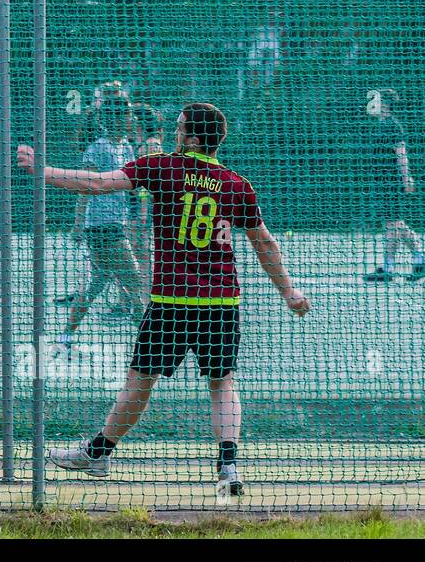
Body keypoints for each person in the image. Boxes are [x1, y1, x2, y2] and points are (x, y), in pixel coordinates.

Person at [18, 102, 310, 495]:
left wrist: (43, 171)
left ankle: (99, 453)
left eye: (179, 127)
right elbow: (265, 244)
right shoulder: (236, 184)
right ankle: (228, 468)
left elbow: (97, 184)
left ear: (191, 137)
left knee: (140, 381)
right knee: (222, 383)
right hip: (221, 303)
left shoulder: (161, 166)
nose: (173, 131)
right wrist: (289, 292)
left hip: (171, 301)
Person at [57, 94, 144, 348]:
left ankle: (66, 336)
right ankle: (150, 343)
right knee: (135, 279)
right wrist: (77, 224)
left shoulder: (125, 146)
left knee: (97, 283)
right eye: (127, 113)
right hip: (101, 226)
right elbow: (85, 187)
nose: (131, 118)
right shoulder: (98, 147)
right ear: (115, 118)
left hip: (116, 224)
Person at [363, 89, 424, 281]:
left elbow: (401, 153)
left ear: (386, 104)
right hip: (382, 183)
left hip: (392, 183)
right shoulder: (380, 125)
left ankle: (389, 268)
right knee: (397, 224)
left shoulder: (392, 125)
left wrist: (407, 179)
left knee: (393, 224)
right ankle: (420, 260)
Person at [127, 103, 166, 290]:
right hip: (134, 208)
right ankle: (128, 299)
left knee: (140, 254)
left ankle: (144, 296)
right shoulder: (138, 144)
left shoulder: (150, 146)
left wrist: (143, 213)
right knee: (131, 254)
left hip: (142, 210)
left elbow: (149, 185)